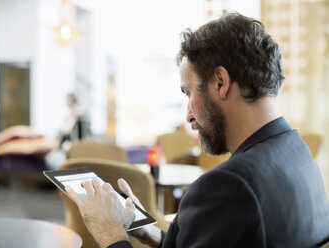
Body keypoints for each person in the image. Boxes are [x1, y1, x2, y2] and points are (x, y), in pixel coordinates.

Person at [65, 13, 329, 247]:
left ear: (220, 82)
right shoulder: (298, 154)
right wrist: (153, 234)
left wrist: (111, 235)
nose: (188, 114)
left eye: (189, 92)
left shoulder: (228, 186)